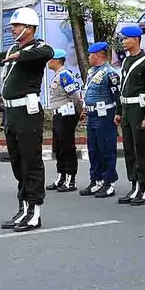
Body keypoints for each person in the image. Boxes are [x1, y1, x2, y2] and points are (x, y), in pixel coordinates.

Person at [0, 6, 56, 232]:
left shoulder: (38, 47)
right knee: (17, 163)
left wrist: (21, 55)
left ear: (29, 28)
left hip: (28, 113)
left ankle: (35, 211)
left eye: (17, 25)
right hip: (11, 114)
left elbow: (47, 52)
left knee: (31, 162)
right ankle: (23, 207)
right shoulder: (12, 48)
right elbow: (0, 57)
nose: (12, 29)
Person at [116, 26, 145, 205]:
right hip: (126, 110)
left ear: (136, 40)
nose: (123, 42)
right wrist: (118, 112)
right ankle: (134, 186)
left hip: (139, 111)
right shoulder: (126, 61)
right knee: (129, 149)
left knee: (141, 149)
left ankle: (144, 189)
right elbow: (121, 89)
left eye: (126, 39)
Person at [80, 42, 121, 198]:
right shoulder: (92, 72)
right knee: (93, 149)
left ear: (97, 55)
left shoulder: (110, 73)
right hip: (92, 115)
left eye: (90, 55)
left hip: (105, 115)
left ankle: (109, 182)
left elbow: (116, 97)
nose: (89, 57)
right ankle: (96, 180)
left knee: (106, 149)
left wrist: (117, 115)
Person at [46, 48, 83, 193]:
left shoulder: (65, 75)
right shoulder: (57, 75)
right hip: (58, 115)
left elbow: (75, 96)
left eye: (50, 59)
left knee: (67, 147)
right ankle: (60, 176)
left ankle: (70, 179)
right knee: (59, 148)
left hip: (66, 115)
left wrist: (78, 112)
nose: (48, 62)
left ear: (56, 61)